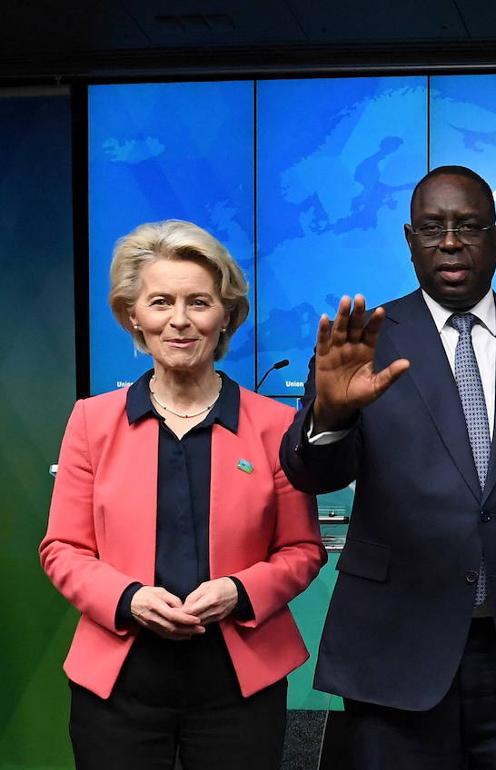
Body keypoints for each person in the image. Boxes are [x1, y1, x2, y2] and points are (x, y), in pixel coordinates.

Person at [279, 165, 496, 768]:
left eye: (468, 226)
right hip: (397, 649)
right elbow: (315, 475)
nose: (450, 241)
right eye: (433, 228)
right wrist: (331, 413)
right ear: (409, 240)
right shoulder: (362, 342)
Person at [40, 220, 326, 769]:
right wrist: (128, 599)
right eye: (160, 302)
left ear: (225, 316)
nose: (179, 320)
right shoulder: (91, 422)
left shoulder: (273, 425)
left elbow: (302, 550)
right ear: (133, 316)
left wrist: (239, 591)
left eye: (199, 302)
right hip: (119, 681)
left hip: (239, 681)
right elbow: (62, 550)